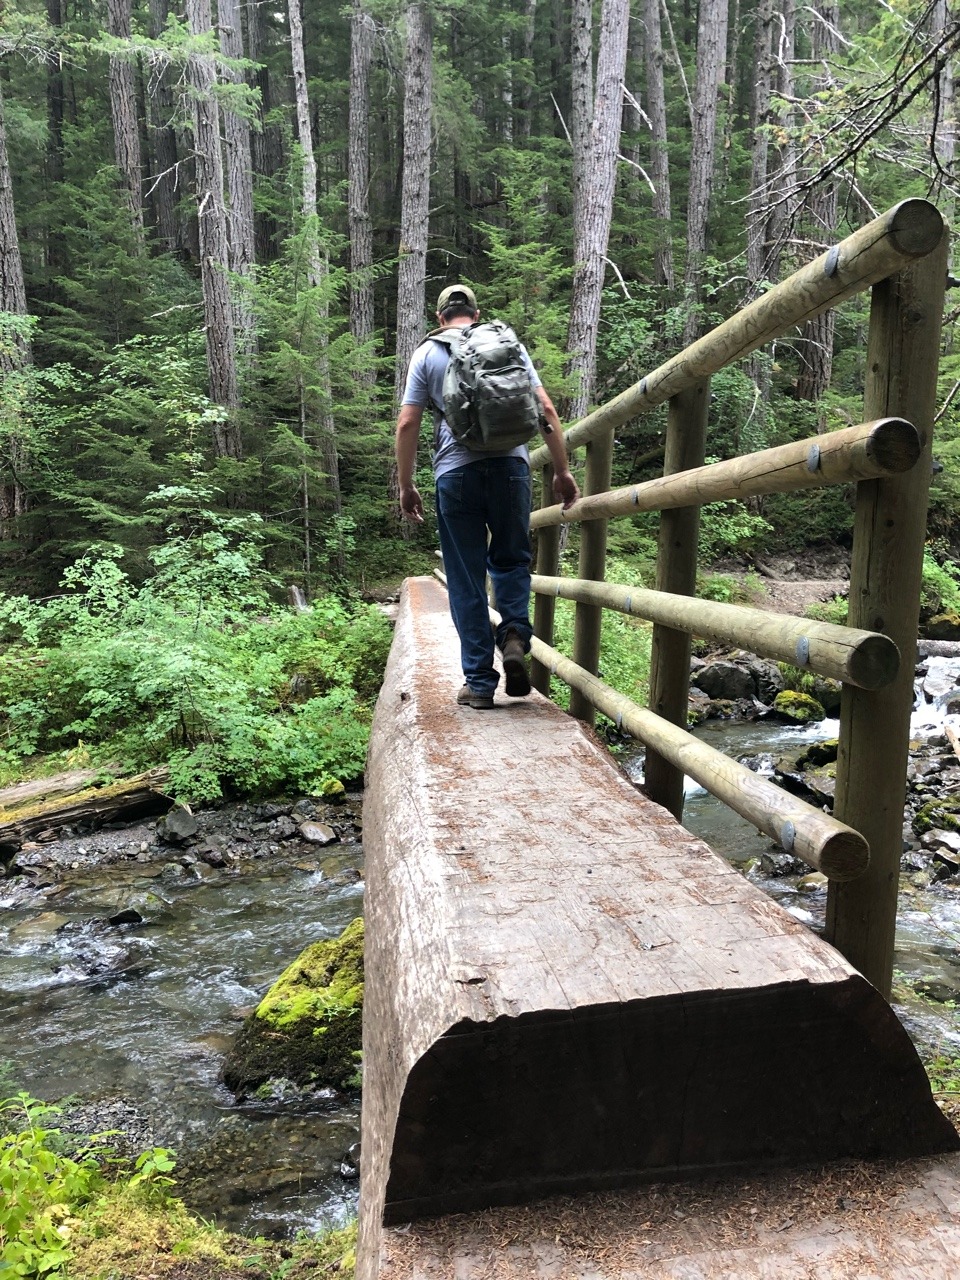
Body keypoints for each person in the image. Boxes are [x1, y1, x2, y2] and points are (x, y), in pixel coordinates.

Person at [395, 284, 579, 709]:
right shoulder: (506, 344)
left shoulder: (428, 353)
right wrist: (563, 471)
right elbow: (546, 411)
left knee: (465, 577)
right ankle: (514, 632)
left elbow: (408, 424)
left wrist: (406, 486)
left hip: (456, 473)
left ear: (440, 318)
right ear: (475, 314)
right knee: (512, 559)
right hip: (512, 469)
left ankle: (479, 682)